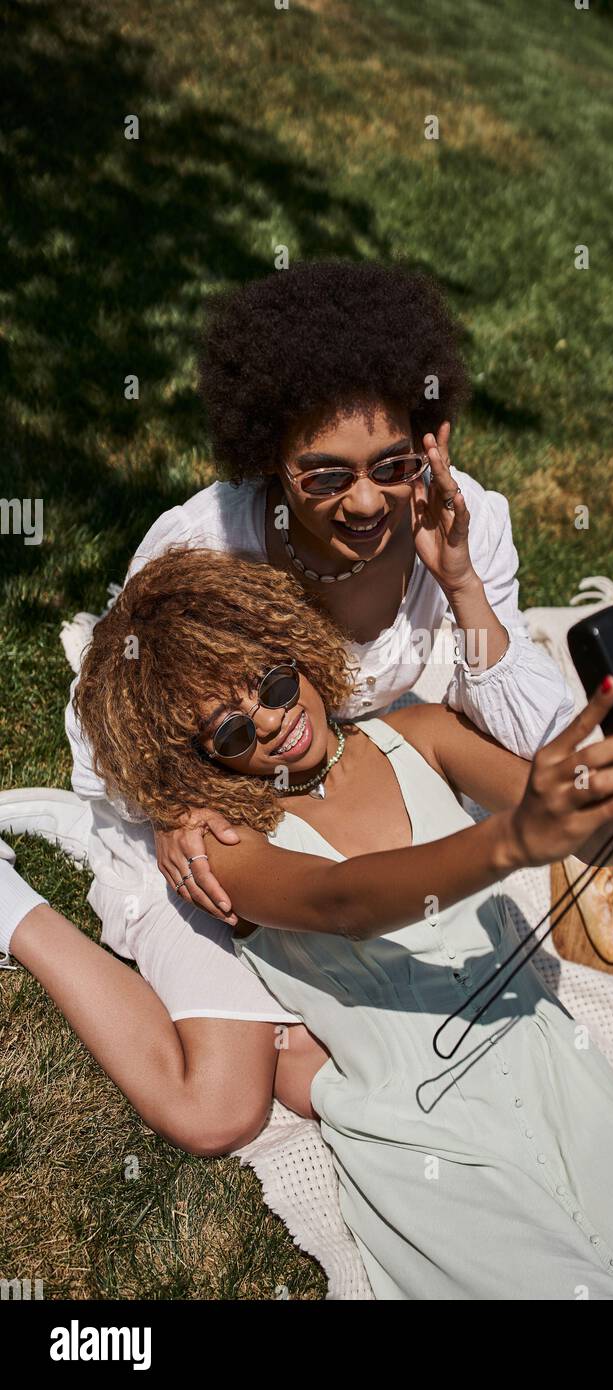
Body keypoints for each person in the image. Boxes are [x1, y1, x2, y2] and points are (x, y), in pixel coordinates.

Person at [39, 545, 613, 1299]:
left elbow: (576, 822)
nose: (271, 721)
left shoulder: (420, 734)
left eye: (270, 681)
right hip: (418, 1126)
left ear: (291, 646)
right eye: (230, 733)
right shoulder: (229, 844)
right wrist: (515, 838)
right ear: (199, 761)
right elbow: (346, 903)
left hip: (548, 1053)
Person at [30, 259, 577, 1142]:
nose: (365, 501)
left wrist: (463, 583)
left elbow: (529, 728)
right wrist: (175, 806)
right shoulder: (204, 543)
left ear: (427, 439)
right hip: (224, 800)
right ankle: (16, 911)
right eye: (323, 476)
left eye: (391, 464)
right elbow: (114, 727)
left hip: (355, 764)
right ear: (269, 462)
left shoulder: (460, 516)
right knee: (225, 1104)